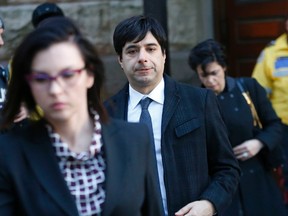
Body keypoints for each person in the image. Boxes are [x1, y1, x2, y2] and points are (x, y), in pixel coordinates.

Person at [0, 17, 163, 215]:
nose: (55, 89)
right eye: (41, 79)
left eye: (68, 75)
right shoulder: (10, 154)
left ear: (89, 75)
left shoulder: (134, 139)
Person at [104, 15, 241, 216]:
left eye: (151, 49)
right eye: (132, 51)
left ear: (164, 54)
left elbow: (227, 168)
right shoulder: (107, 114)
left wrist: (209, 204)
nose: (142, 57)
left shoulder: (199, 101)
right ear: (120, 60)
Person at [188, 38, 287, 216]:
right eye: (203, 76)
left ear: (224, 67)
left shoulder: (249, 88)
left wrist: (259, 143)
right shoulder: (194, 102)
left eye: (214, 73)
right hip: (221, 185)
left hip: (257, 177)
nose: (210, 81)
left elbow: (275, 125)